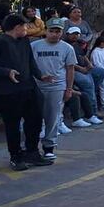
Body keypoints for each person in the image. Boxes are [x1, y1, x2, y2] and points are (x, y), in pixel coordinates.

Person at [0, 14, 52, 171]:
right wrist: (7, 72)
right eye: (25, 26)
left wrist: (40, 75)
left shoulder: (24, 41)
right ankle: (15, 156)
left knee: (35, 119)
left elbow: (30, 61)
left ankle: (32, 152)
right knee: (12, 125)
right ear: (17, 27)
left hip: (29, 86)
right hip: (8, 91)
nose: (27, 29)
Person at [30, 18, 76, 160]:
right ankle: (30, 147)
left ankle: (49, 146)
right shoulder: (34, 46)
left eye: (58, 31)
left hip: (57, 86)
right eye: (52, 31)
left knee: (53, 117)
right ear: (46, 31)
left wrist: (69, 89)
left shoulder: (67, 48)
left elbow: (70, 69)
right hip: (36, 86)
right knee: (33, 117)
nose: (55, 34)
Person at [65, 27, 103, 125]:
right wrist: (81, 69)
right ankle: (93, 112)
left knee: (100, 72)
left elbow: (83, 56)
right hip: (74, 69)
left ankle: (92, 93)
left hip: (84, 67)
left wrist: (89, 64)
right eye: (73, 34)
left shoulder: (78, 44)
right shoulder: (65, 45)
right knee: (87, 83)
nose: (75, 36)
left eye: (77, 34)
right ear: (68, 34)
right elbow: (68, 63)